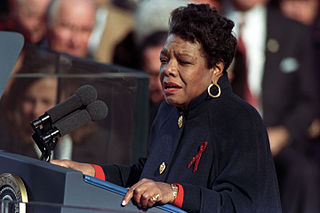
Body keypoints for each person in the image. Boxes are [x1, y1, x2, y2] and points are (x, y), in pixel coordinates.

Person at [51, 4, 282, 212]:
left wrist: (173, 193)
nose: (168, 70)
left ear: (216, 69)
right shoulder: (168, 111)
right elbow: (146, 177)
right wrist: (90, 172)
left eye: (183, 61)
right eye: (164, 60)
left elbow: (242, 205)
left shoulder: (240, 120)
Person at [222, 0, 320, 212]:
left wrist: (282, 134)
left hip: (276, 141)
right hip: (222, 138)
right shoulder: (209, 23)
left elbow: (308, 100)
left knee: (303, 173)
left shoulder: (293, 32)